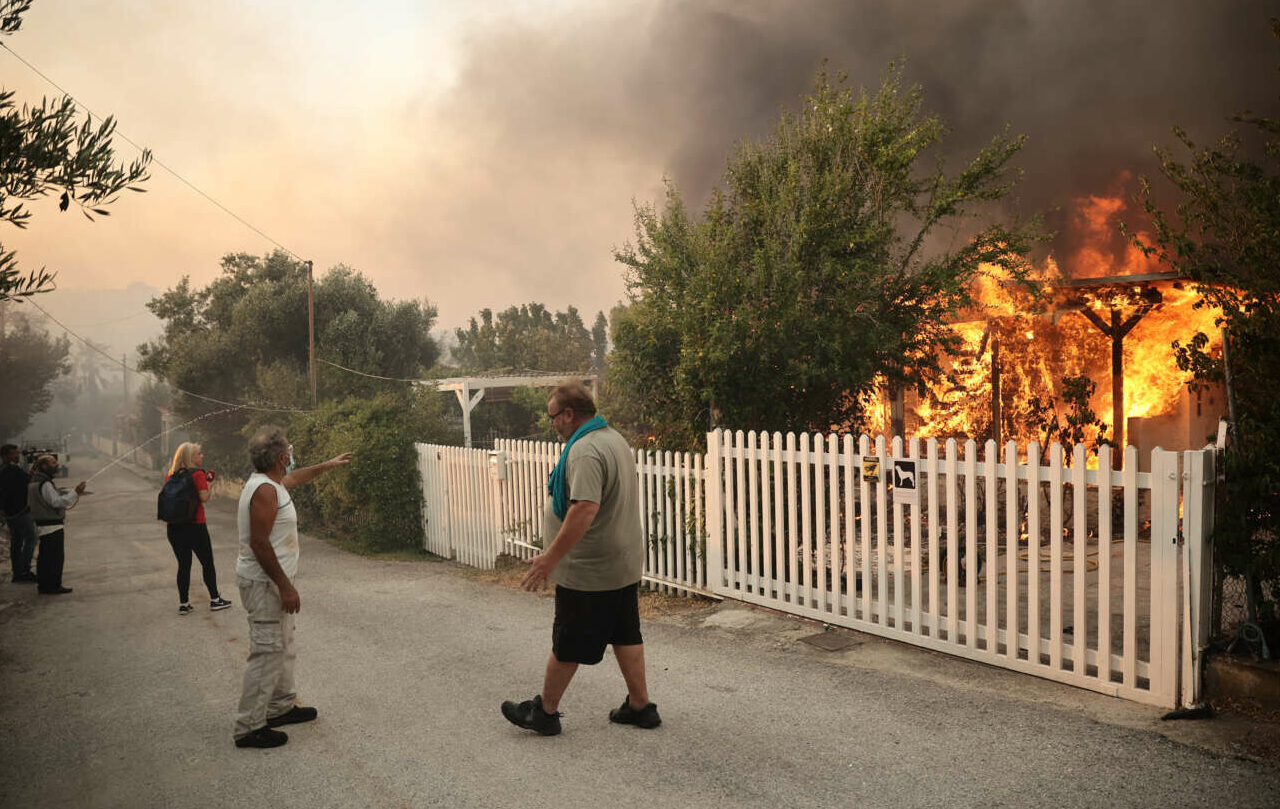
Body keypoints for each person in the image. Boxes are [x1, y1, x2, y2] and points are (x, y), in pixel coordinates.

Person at [501, 381, 660, 736]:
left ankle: (544, 712)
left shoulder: (585, 451)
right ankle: (640, 706)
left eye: (553, 417)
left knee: (568, 641)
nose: (552, 424)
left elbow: (584, 510)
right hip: (620, 562)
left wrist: (549, 559)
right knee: (625, 633)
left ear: (569, 414)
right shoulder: (612, 438)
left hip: (591, 569)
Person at [232, 426, 351, 749]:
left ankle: (280, 707)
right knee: (267, 651)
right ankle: (249, 727)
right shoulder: (264, 492)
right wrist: (285, 586)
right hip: (264, 584)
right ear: (282, 457)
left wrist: (328, 465)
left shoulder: (272, 483)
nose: (292, 455)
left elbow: (296, 478)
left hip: (272, 582)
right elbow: (259, 543)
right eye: (289, 451)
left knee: (283, 645)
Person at [163, 442, 232, 616]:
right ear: (191, 457)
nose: (202, 456)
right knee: (207, 562)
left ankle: (184, 603)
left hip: (174, 528)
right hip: (195, 526)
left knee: (183, 565)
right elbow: (204, 497)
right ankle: (215, 599)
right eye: (199, 454)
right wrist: (210, 483)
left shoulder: (170, 475)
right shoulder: (198, 474)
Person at [27, 454, 86, 595]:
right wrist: (75, 493)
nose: (57, 465)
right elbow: (56, 502)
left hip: (43, 525)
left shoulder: (34, 481)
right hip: (51, 525)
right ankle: (52, 586)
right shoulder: (45, 483)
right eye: (53, 462)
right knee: (54, 558)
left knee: (45, 557)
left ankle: (45, 585)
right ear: (44, 466)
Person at [1, 444, 38, 583]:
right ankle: (24, 570)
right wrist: (32, 470)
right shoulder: (12, 470)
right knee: (31, 538)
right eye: (13, 454)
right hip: (20, 511)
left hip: (10, 513)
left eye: (17, 453)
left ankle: (17, 572)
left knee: (16, 541)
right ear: (5, 456)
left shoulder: (3, 470)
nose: (16, 456)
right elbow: (29, 480)